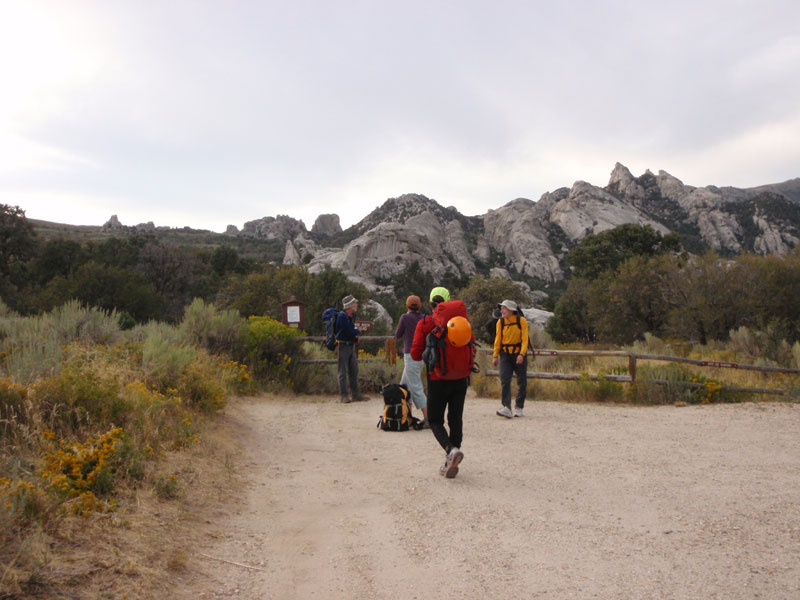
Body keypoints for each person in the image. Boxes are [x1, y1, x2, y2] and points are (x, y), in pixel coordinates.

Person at [410, 286, 474, 478]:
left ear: (431, 303)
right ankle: (452, 455)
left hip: (438, 378)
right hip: (461, 378)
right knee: (456, 419)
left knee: (436, 420)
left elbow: (414, 354)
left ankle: (450, 451)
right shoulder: (463, 323)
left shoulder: (427, 323)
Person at [395, 295, 429, 426]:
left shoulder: (405, 317)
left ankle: (427, 418)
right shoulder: (424, 318)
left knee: (415, 387)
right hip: (422, 355)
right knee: (404, 385)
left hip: (410, 355)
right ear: (419, 306)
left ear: (407, 305)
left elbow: (398, 334)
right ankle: (406, 415)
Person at [492, 299, 529, 418]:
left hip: (518, 353)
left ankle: (519, 406)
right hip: (505, 354)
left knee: (522, 381)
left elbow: (525, 339)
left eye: (504, 308)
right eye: (502, 308)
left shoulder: (521, 321)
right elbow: (498, 340)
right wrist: (495, 355)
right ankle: (507, 407)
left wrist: (522, 354)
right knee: (505, 379)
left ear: (512, 310)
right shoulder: (500, 322)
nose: (502, 310)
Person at [336, 295, 367, 403]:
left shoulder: (351, 316)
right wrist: (356, 334)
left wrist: (355, 334)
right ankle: (344, 396)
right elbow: (348, 331)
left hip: (350, 345)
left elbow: (351, 330)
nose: (356, 305)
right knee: (342, 371)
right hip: (343, 345)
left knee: (354, 370)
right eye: (355, 303)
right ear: (350, 306)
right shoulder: (342, 316)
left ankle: (355, 394)